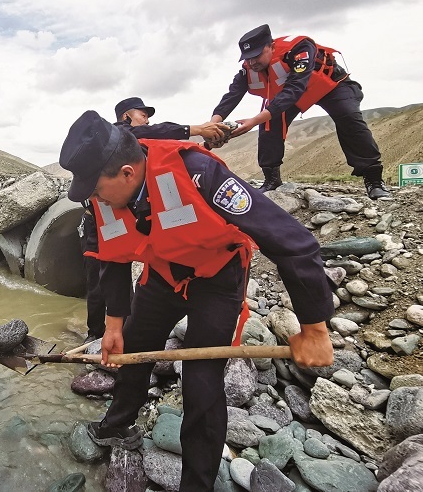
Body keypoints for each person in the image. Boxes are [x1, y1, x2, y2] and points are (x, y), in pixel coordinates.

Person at [59, 110, 334, 492]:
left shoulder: (198, 172)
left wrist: (314, 327)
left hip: (217, 279)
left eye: (95, 187)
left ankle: (197, 483)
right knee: (135, 348)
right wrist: (114, 326)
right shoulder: (105, 199)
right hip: (163, 275)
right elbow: (113, 259)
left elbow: (292, 242)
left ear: (126, 172)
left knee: (202, 382)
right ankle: (117, 425)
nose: (92, 196)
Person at [78, 97, 230, 343]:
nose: (147, 120)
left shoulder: (139, 152)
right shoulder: (118, 137)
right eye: (143, 115)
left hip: (118, 219)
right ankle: (96, 333)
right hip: (99, 221)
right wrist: (196, 129)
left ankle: (117, 328)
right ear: (126, 117)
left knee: (116, 271)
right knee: (100, 276)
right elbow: (154, 131)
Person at [211, 24, 390, 199]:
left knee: (348, 116)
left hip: (329, 86)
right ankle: (271, 179)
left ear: (271, 46)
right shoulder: (247, 69)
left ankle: (374, 180)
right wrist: (212, 126)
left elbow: (295, 88)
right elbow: (232, 96)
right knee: (269, 124)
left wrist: (253, 121)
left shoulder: (300, 49)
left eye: (256, 55)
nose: (252, 62)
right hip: (290, 94)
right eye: (248, 57)